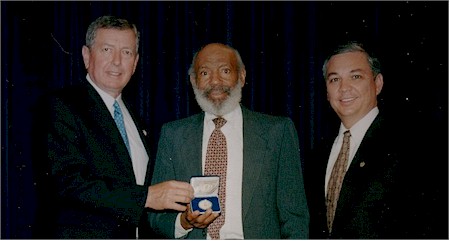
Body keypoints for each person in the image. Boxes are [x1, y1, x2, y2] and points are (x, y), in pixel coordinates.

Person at [31, 15, 194, 239]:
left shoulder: (137, 118)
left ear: (135, 63)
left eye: (126, 52)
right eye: (107, 50)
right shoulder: (61, 106)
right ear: (87, 56)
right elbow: (67, 181)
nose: (117, 61)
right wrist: (146, 197)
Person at [148, 43, 309, 239]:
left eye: (225, 70)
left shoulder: (277, 132)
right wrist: (184, 222)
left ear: (241, 76)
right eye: (205, 73)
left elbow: (295, 217)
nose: (215, 81)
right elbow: (156, 217)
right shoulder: (173, 135)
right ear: (193, 81)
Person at [304, 41, 445, 238]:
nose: (344, 88)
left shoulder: (410, 145)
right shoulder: (316, 155)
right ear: (327, 92)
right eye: (334, 80)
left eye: (356, 77)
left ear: (377, 84)